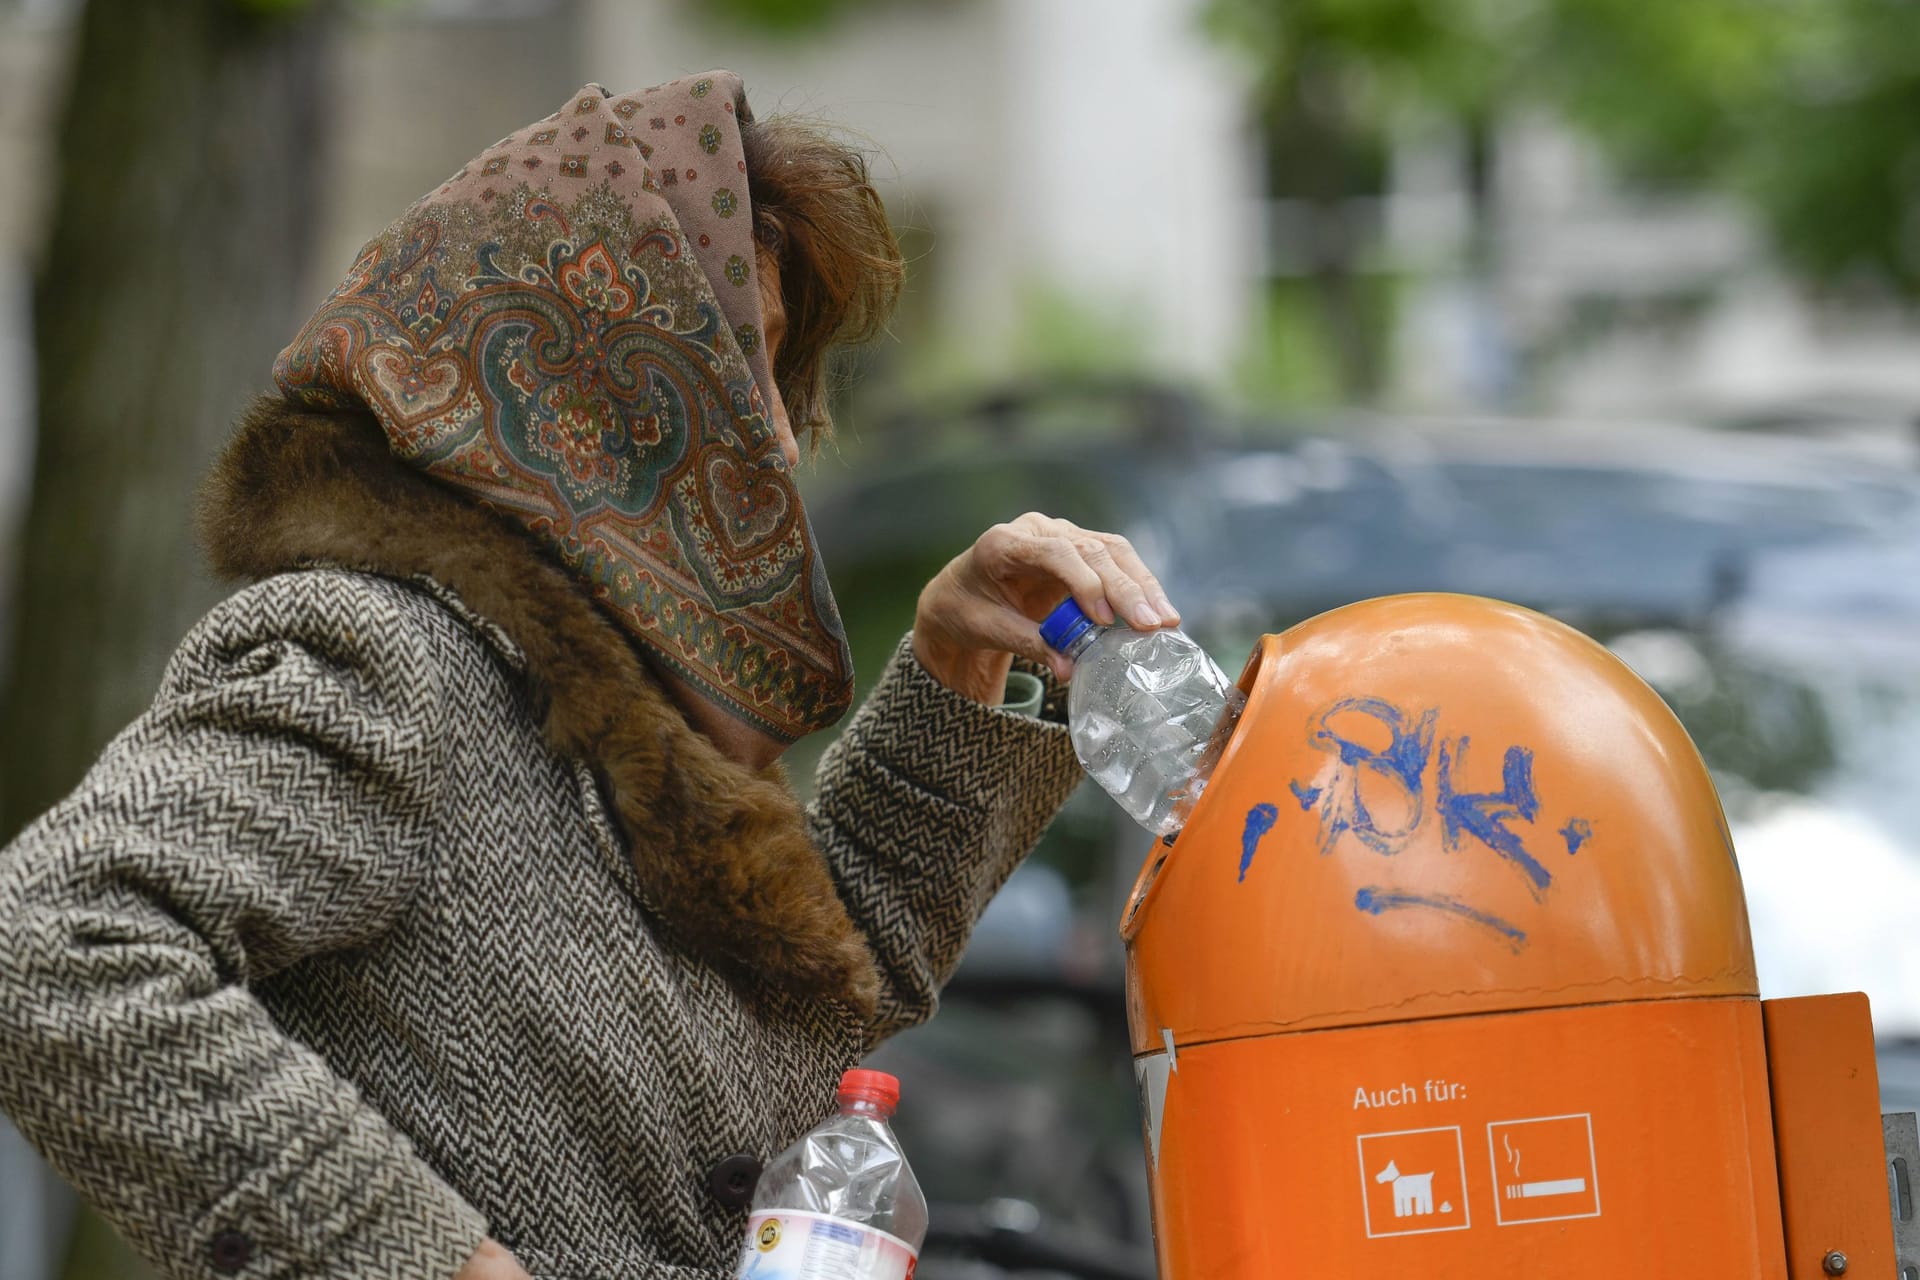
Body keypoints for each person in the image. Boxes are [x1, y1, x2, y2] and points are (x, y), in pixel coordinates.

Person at [0, 72, 1178, 1280]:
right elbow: (53, 945)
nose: (774, 430)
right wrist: (441, 1261)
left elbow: (828, 994)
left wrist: (953, 665)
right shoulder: (378, 653)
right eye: (736, 358)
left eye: (776, 371)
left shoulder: (610, 697)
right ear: (578, 365)